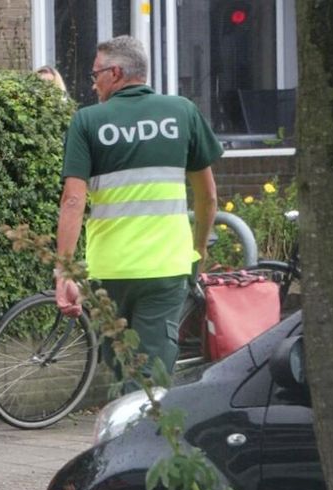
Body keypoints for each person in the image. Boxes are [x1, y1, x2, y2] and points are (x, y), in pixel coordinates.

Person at [54, 35, 221, 386]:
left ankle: (132, 436)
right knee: (148, 377)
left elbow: (73, 200)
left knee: (122, 370)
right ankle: (142, 436)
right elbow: (207, 196)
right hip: (166, 268)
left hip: (109, 271)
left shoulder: (88, 122)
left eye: (96, 74)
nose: (93, 83)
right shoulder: (182, 112)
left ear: (115, 73)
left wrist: (64, 271)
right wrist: (200, 247)